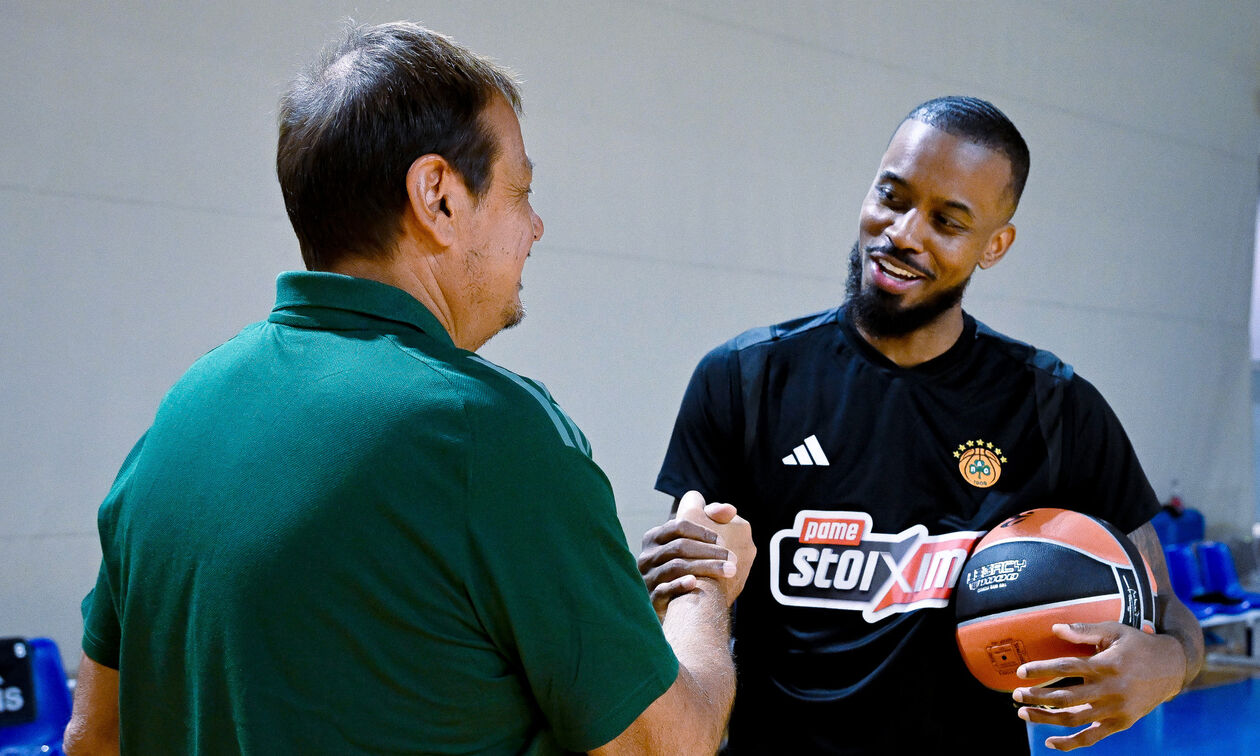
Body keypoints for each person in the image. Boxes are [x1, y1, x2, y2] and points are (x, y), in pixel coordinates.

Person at [64, 22, 754, 756]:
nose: (537, 227)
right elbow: (667, 744)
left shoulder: (180, 416)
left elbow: (92, 736)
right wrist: (705, 588)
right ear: (439, 197)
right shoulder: (484, 433)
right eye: (521, 192)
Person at [638, 96, 1203, 754]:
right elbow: (688, 607)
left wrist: (1170, 664)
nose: (903, 232)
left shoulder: (1054, 406)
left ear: (995, 244)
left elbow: (1164, 611)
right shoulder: (745, 379)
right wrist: (667, 589)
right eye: (892, 194)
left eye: (947, 220)